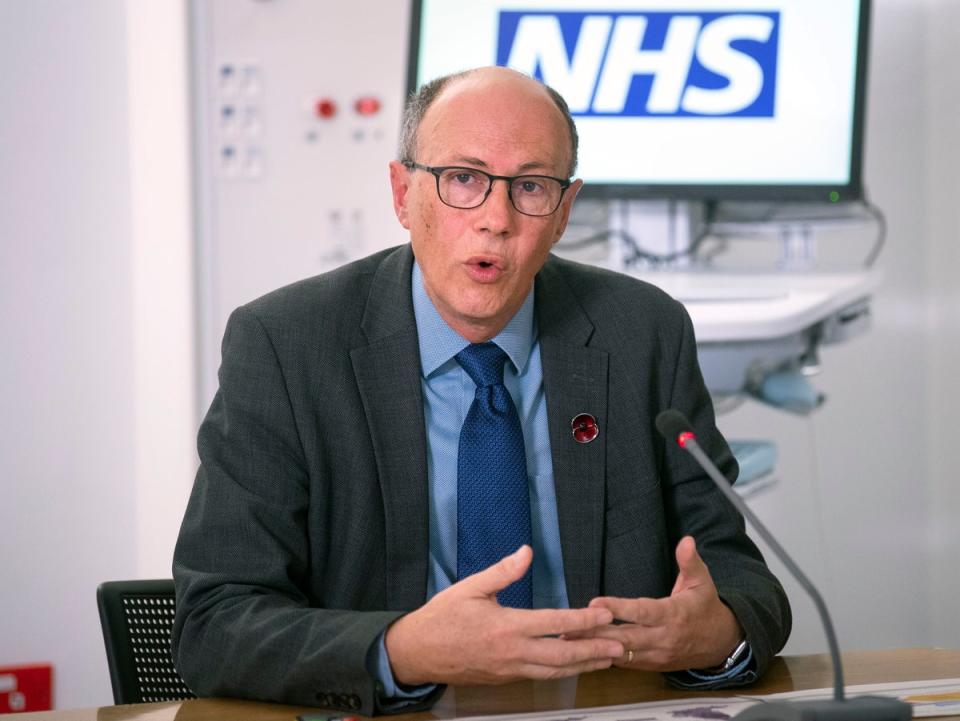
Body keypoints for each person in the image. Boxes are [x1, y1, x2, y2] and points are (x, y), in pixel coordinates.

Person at [171, 66, 791, 715]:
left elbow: (742, 581)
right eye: (463, 179)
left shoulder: (641, 333)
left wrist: (714, 632)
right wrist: (404, 648)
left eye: (530, 187)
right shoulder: (287, 346)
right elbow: (215, 623)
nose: (495, 219)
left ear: (563, 212)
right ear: (403, 193)